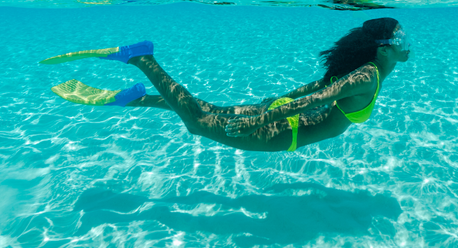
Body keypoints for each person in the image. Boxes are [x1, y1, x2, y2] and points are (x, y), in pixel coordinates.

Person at [41, 17, 411, 152]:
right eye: (400, 39)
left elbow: (313, 89)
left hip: (280, 118)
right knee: (198, 122)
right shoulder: (367, 75)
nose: (406, 45)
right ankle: (143, 60)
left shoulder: (368, 72)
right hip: (284, 132)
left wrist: (270, 104)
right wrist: (260, 120)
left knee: (204, 110)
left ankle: (137, 99)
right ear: (383, 48)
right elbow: (313, 98)